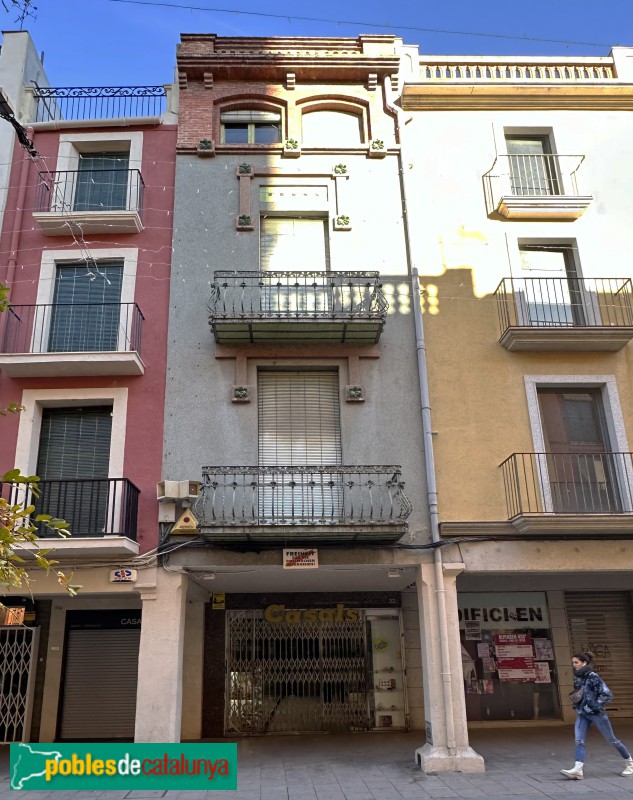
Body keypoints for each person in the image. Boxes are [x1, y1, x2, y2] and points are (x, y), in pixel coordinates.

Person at [561, 652, 633, 780]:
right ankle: (578, 769)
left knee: (612, 740)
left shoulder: (593, 677)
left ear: (584, 663)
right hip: (582, 714)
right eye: (573, 663)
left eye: (576, 662)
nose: (574, 665)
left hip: (596, 714)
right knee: (579, 741)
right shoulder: (578, 677)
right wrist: (579, 706)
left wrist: (594, 706)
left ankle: (630, 763)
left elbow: (607, 694)